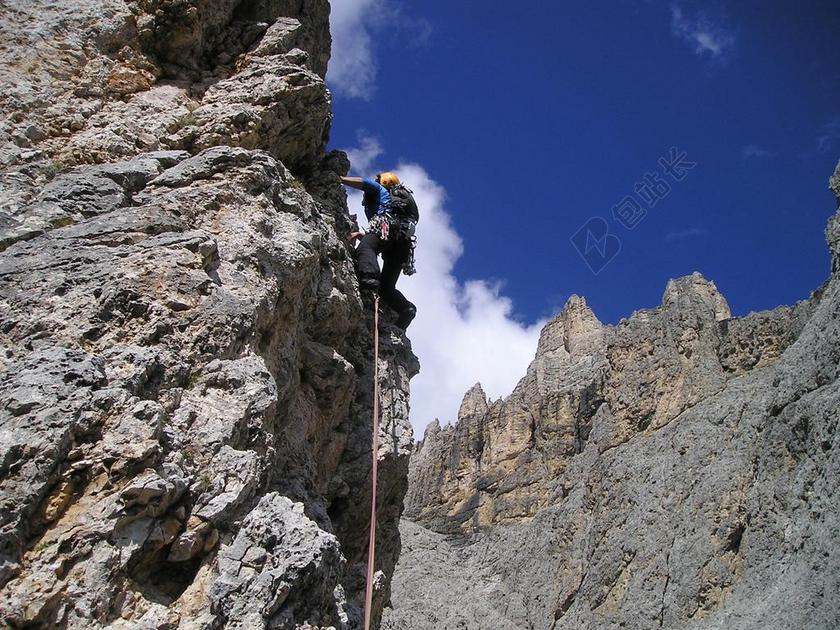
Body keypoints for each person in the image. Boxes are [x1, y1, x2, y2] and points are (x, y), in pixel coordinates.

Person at [341, 171, 417, 331]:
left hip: (385, 226)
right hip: (402, 245)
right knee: (386, 287)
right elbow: (382, 240)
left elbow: (363, 183)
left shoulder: (380, 190)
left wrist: (339, 178)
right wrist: (364, 235)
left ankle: (369, 278)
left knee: (365, 249)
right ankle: (405, 309)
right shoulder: (400, 207)